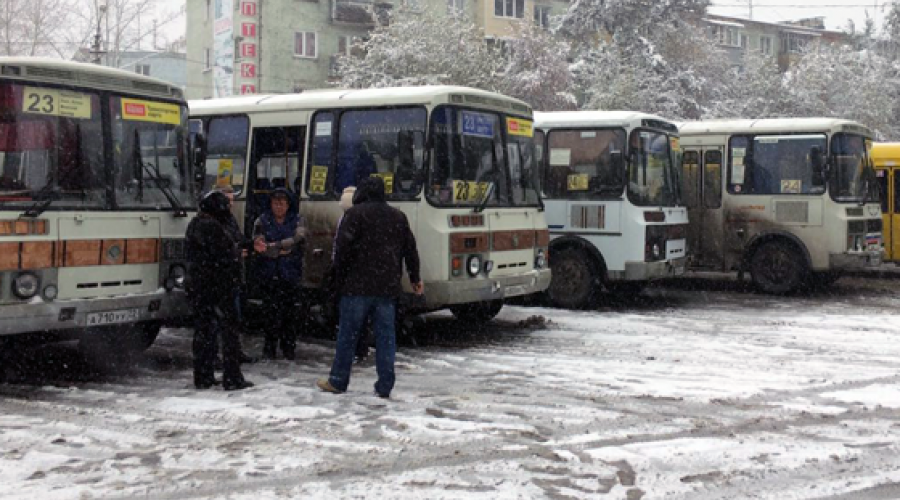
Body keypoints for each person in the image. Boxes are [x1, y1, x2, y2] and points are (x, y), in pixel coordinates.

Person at [317, 177, 423, 399]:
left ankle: (338, 380)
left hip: (356, 288)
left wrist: (335, 280)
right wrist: (415, 277)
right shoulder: (398, 217)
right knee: (386, 338)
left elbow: (342, 252)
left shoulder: (354, 215)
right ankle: (385, 384)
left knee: (348, 335)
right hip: (387, 289)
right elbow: (410, 250)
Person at [185, 190, 254, 391]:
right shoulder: (212, 226)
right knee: (228, 332)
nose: (230, 208)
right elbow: (225, 253)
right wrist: (237, 252)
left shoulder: (196, 224)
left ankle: (203, 375)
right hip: (219, 286)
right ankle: (232, 378)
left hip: (199, 286)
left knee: (203, 332)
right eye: (228, 204)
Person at [252, 187, 307, 360]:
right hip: (269, 274)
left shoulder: (297, 220)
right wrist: (282, 249)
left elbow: (300, 239)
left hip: (290, 274)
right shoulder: (261, 221)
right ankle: (269, 348)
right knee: (270, 314)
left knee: (290, 315)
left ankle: (288, 348)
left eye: (282, 203)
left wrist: (275, 245)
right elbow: (259, 245)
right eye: (275, 203)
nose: (279, 207)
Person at [215, 184, 257, 365]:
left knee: (235, 316)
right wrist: (237, 252)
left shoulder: (229, 218)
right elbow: (220, 248)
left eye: (232, 200)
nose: (231, 204)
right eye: (228, 200)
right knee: (219, 319)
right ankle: (216, 355)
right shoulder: (214, 221)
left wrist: (250, 244)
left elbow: (237, 239)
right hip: (220, 277)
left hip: (233, 274)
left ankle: (234, 351)